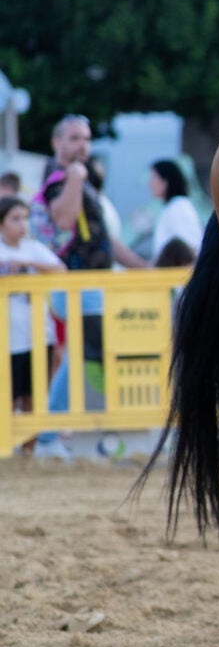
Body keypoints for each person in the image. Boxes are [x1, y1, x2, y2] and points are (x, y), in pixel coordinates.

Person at [30, 116, 148, 457]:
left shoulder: (81, 181)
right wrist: (76, 180)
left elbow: (104, 239)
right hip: (77, 284)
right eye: (74, 138)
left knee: (84, 355)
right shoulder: (62, 178)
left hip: (91, 284)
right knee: (88, 354)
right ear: (57, 143)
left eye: (86, 138)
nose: (83, 144)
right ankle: (53, 438)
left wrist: (142, 267)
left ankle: (53, 438)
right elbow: (63, 221)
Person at [1, 195, 66, 444]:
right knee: (7, 396)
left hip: (37, 334)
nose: (22, 224)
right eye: (15, 219)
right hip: (7, 337)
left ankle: (29, 450)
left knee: (34, 396)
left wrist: (29, 263)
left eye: (25, 218)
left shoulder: (33, 249)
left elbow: (61, 269)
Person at [147, 159, 204, 263]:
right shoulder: (172, 207)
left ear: (165, 182)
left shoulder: (179, 207)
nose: (150, 184)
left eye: (153, 178)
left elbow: (190, 248)